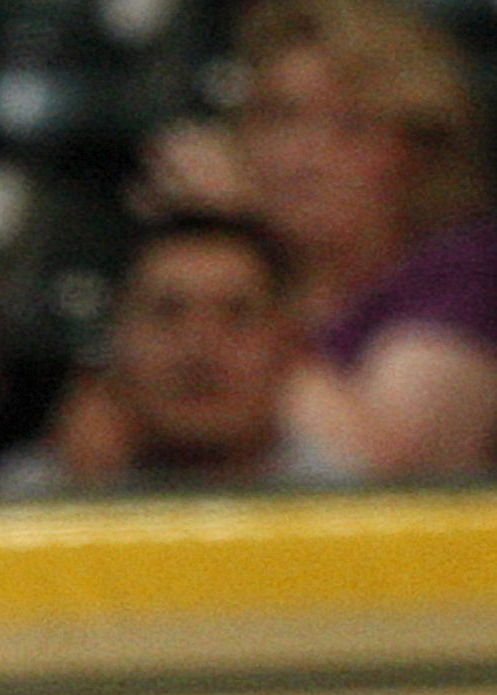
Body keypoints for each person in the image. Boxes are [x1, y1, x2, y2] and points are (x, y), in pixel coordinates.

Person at [142, 0, 497, 478]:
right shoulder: (233, 272)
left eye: (352, 126)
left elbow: (384, 469)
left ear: (417, 150)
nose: (304, 159)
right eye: (280, 117)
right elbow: (95, 446)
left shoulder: (465, 272)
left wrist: (245, 229)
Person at [0, 213, 354, 494]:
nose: (199, 349)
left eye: (238, 315)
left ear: (288, 345)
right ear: (116, 340)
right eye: (167, 312)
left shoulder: (355, 513)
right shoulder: (18, 511)